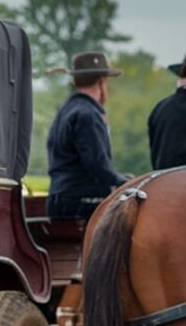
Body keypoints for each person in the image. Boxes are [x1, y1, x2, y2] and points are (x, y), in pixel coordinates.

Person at [46, 51, 126, 219]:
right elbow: (98, 167)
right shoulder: (88, 115)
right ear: (101, 82)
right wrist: (126, 182)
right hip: (79, 201)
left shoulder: (67, 110)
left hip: (60, 198)